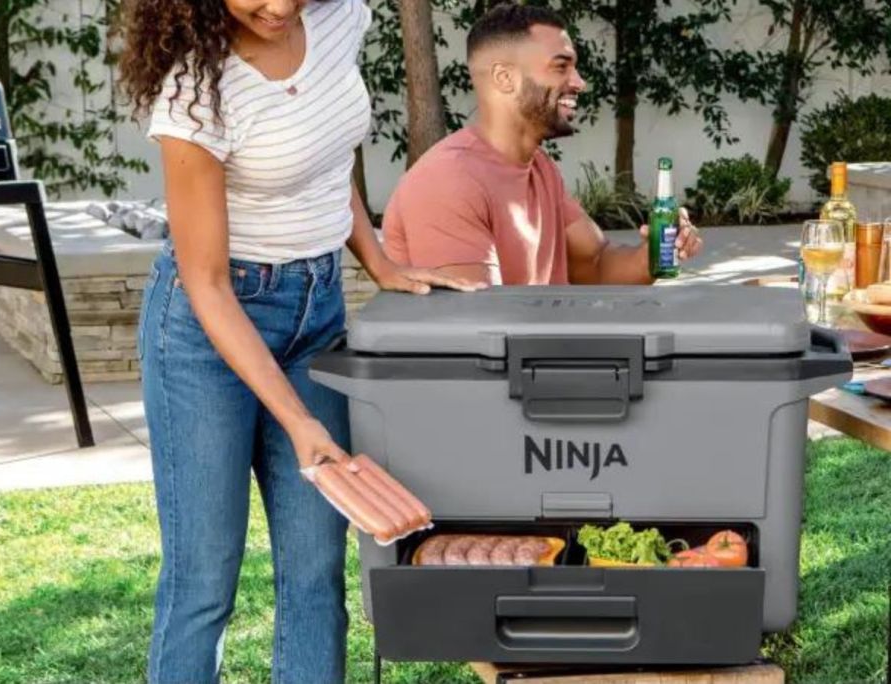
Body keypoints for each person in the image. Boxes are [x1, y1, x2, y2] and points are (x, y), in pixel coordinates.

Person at [117, 1, 474, 682]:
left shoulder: (341, 19)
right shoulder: (196, 92)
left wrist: (379, 261)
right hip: (207, 329)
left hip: (316, 310)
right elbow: (207, 283)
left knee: (316, 570)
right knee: (203, 575)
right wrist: (299, 421)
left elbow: (330, 151)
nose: (278, 6)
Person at [383, 3, 703, 286]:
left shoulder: (540, 168)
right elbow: (476, 331)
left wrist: (655, 254)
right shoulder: (448, 181)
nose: (579, 82)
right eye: (561, 66)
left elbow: (595, 264)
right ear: (504, 78)